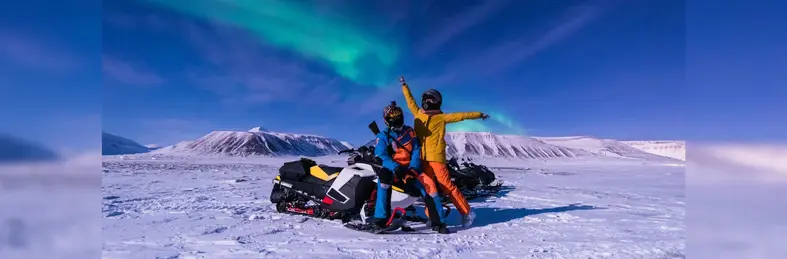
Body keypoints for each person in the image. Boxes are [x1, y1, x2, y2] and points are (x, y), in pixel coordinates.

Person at [398, 76, 489, 228]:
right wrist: (404, 86)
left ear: (434, 101)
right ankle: (433, 217)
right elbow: (410, 101)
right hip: (421, 158)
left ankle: (467, 212)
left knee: (447, 186)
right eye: (425, 99)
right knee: (428, 189)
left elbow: (462, 115)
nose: (426, 102)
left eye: (428, 99)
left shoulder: (441, 118)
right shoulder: (418, 114)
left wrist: (479, 114)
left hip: (436, 158)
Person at [371, 101, 450, 234]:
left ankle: (439, 221)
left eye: (399, 119)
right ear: (387, 121)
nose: (397, 122)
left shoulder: (410, 132)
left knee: (429, 186)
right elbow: (380, 155)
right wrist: (395, 167)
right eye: (393, 120)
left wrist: (413, 168)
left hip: (411, 169)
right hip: (393, 169)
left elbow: (416, 151)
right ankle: (380, 219)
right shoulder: (383, 136)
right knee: (383, 181)